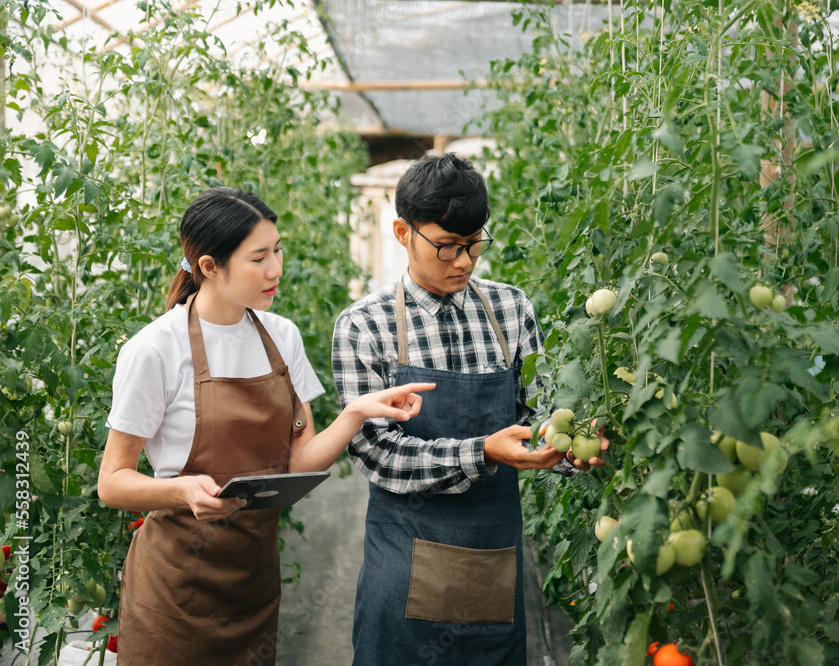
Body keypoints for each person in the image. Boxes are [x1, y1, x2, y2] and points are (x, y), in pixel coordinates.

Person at [97, 187, 432, 666]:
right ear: (210, 266)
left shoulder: (282, 337)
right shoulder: (155, 350)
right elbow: (112, 482)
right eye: (259, 257)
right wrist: (183, 491)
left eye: (277, 250)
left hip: (253, 578)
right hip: (173, 588)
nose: (276, 269)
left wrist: (356, 412)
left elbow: (299, 460)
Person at [332, 153, 607, 666]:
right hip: (405, 553)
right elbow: (376, 453)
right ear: (401, 232)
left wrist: (569, 445)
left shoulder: (511, 309)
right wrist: (482, 451)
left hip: (491, 555)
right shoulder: (364, 326)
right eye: (447, 247)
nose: (463, 261)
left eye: (474, 244)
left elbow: (540, 409)